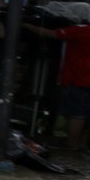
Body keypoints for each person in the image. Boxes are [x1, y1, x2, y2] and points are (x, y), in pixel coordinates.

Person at [25, 16, 90, 148]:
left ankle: (72, 143)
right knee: (85, 113)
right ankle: (82, 144)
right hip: (83, 79)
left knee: (76, 114)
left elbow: (52, 34)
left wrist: (25, 25)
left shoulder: (80, 30)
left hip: (77, 79)